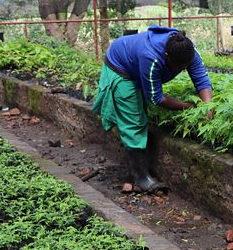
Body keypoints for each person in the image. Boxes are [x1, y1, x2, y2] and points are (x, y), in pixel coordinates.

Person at [91, 25, 213, 193]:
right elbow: (157, 98)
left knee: (139, 114)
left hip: (135, 62)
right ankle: (140, 177)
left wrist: (208, 105)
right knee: (134, 121)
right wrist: (189, 106)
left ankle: (138, 170)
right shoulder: (151, 57)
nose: (184, 69)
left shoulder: (186, 48)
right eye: (179, 67)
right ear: (166, 57)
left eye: (186, 66)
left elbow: (200, 76)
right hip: (121, 68)